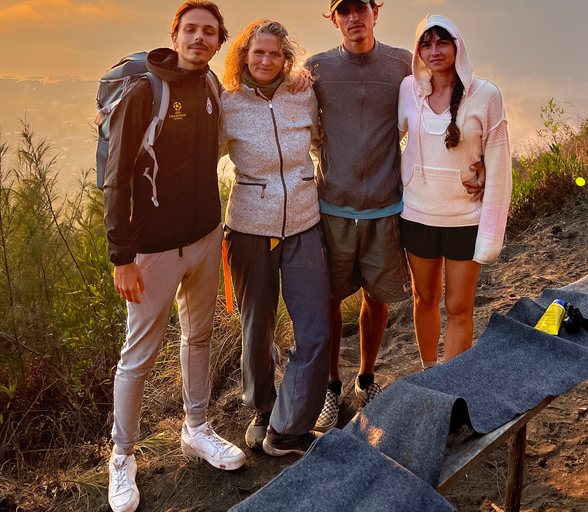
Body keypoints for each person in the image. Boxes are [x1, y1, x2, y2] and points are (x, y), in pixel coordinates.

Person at [305, 0, 486, 432]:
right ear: (333, 17)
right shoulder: (317, 68)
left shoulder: (403, 65)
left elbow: (437, 114)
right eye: (343, 9)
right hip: (331, 206)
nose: (354, 17)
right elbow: (308, 127)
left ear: (375, 11)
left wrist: (475, 161)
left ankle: (366, 380)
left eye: (361, 7)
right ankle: (332, 389)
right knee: (329, 298)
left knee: (377, 296)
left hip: (388, 206)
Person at [103, 2, 244, 511]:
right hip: (151, 251)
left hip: (206, 238)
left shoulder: (209, 88)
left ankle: (197, 428)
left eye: (209, 32)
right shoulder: (146, 92)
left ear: (219, 40)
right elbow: (116, 176)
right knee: (137, 357)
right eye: (191, 30)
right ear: (175, 34)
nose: (199, 38)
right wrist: (122, 255)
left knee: (199, 336)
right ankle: (122, 456)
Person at [219, 20, 330, 456]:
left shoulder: (303, 94)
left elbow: (322, 143)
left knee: (316, 330)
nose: (266, 61)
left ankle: (289, 427)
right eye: (258, 53)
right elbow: (199, 155)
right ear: (244, 56)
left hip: (304, 224)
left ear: (287, 58)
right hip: (248, 230)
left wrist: (316, 182)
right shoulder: (228, 104)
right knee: (256, 328)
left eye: (275, 54)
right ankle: (263, 413)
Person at [398, 15, 511, 366]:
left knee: (459, 307)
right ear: (418, 51)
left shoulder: (486, 95)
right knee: (424, 299)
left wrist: (491, 236)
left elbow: (500, 168)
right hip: (416, 216)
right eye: (426, 43)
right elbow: (386, 140)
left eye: (442, 42)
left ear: (457, 46)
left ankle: (451, 385)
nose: (434, 50)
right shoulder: (407, 90)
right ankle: (430, 374)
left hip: (465, 220)